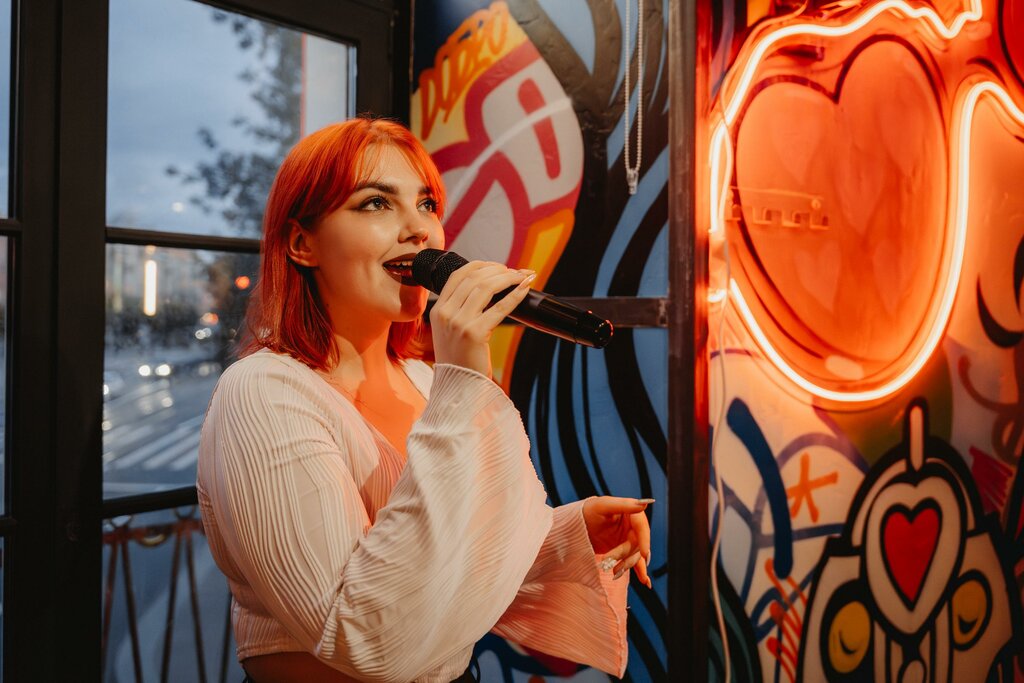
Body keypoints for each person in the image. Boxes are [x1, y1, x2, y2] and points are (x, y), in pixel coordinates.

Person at [197, 117, 653, 683]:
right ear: (302, 243)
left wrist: (567, 535)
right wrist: (463, 381)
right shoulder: (263, 393)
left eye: (427, 204)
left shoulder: (425, 380)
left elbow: (447, 572)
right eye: (376, 203)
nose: (420, 230)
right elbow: (361, 637)